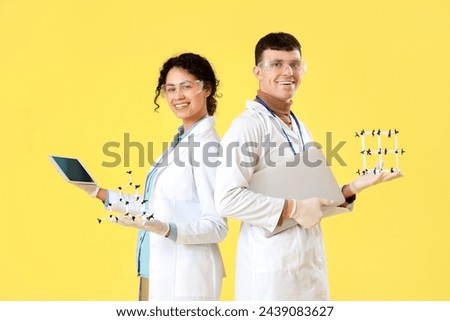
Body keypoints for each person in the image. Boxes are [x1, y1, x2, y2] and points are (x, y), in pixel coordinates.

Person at [214, 32, 402, 300]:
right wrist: (294, 208)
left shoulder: (300, 128)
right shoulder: (248, 126)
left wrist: (350, 189)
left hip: (309, 271)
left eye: (294, 64)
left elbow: (311, 205)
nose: (288, 72)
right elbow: (227, 200)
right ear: (258, 71)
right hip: (271, 277)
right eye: (276, 64)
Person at [74, 53, 227, 300]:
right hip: (154, 271)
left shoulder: (207, 148)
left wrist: (168, 230)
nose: (177, 96)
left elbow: (217, 226)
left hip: (186, 278)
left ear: (206, 89)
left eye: (186, 87)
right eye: (170, 89)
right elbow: (153, 206)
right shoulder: (180, 143)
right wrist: (100, 193)